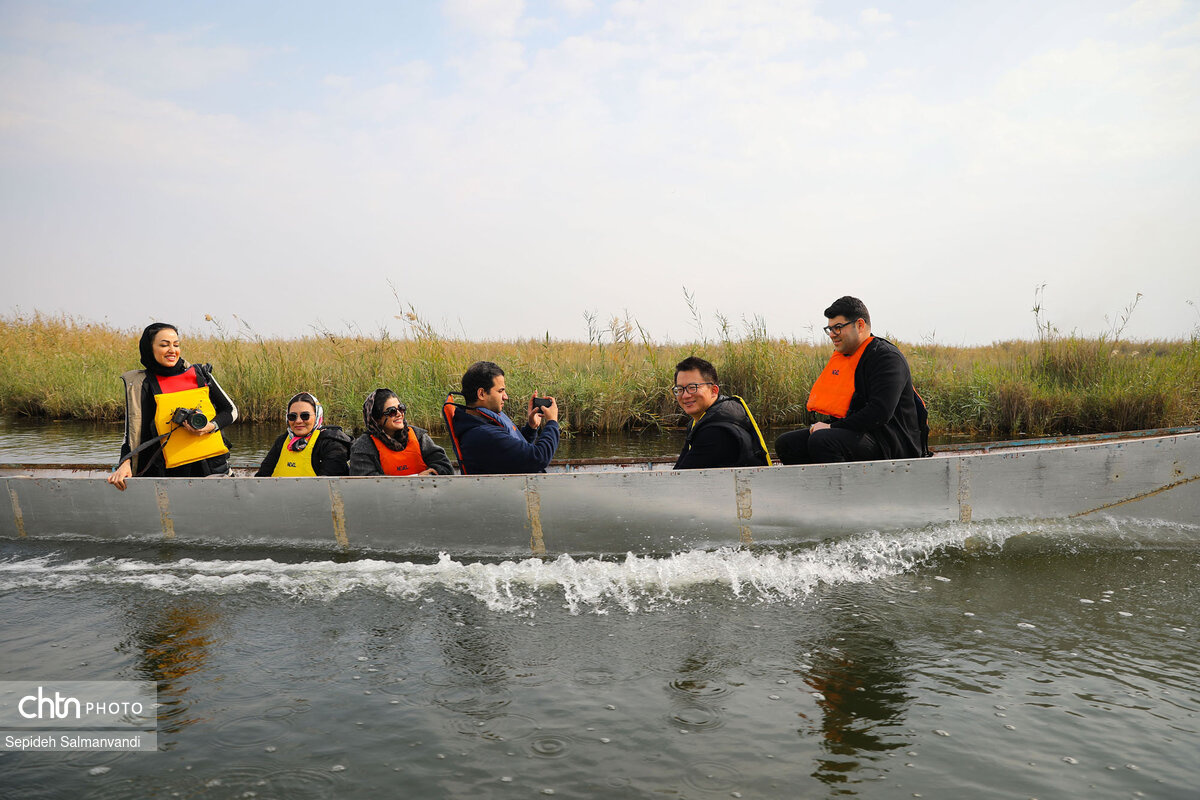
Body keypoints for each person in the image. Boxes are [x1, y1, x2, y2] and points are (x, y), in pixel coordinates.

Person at [775, 296, 928, 465]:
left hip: (892, 443)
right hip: (861, 434)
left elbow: (879, 413)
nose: (832, 335)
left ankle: (844, 490)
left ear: (860, 325)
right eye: (829, 329)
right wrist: (829, 426)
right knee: (787, 444)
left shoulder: (887, 358)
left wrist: (831, 428)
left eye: (838, 328)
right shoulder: (848, 357)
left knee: (823, 439)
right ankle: (815, 489)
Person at [107, 322, 238, 491]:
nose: (172, 350)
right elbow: (130, 433)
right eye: (164, 345)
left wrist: (209, 427)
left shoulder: (200, 374)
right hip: (164, 473)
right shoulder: (142, 385)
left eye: (176, 345)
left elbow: (231, 411)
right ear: (149, 348)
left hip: (210, 469)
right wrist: (125, 463)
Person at [445, 361, 559, 474]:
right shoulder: (484, 434)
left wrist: (531, 427)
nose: (506, 397)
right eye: (500, 391)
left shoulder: (479, 423)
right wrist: (552, 422)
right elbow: (538, 458)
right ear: (481, 394)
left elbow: (514, 453)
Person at [672, 356, 771, 469]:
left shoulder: (717, 431)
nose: (685, 395)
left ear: (714, 391)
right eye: (680, 389)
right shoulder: (699, 421)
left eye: (692, 387)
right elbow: (679, 470)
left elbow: (681, 479)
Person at [349, 389, 453, 476]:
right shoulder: (362, 447)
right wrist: (417, 478)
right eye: (392, 411)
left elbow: (445, 466)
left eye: (401, 408)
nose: (399, 414)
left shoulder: (419, 436)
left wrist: (431, 475)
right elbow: (367, 485)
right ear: (376, 419)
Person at [255, 392, 352, 477]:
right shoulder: (282, 441)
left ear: (317, 416)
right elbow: (262, 476)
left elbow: (331, 486)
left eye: (305, 416)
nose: (298, 421)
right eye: (292, 416)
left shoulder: (332, 444)